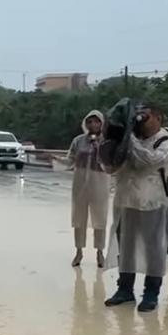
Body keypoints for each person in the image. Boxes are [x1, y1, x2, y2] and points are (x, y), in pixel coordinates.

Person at [104, 103, 168, 313]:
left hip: (152, 203)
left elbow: (149, 161)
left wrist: (129, 138)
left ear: (158, 118)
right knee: (126, 248)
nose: (139, 120)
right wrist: (114, 137)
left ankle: (151, 293)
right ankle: (125, 289)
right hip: (126, 201)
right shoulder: (130, 140)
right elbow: (110, 165)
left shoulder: (167, 142)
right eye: (137, 116)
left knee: (154, 250)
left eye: (145, 116)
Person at [64, 110, 110, 268]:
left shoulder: (107, 142)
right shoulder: (78, 141)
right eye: (89, 122)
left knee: (100, 218)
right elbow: (69, 160)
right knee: (79, 218)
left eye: (96, 121)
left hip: (100, 184)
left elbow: (112, 164)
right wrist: (56, 160)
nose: (93, 125)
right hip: (80, 184)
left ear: (102, 123)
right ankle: (78, 251)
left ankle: (100, 252)